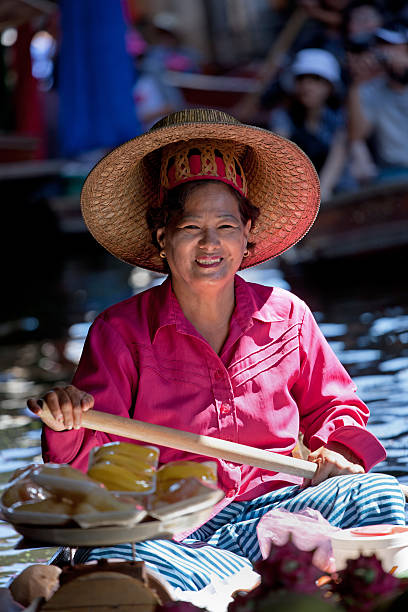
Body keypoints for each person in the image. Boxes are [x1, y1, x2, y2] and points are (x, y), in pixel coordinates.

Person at [27, 108, 405, 598]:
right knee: (120, 558)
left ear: (248, 233)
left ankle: (268, 581)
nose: (210, 244)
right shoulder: (119, 331)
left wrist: (335, 449)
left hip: (280, 514)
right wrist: (65, 424)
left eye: (226, 226)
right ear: (163, 237)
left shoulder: (286, 314)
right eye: (190, 228)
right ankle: (247, 584)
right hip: (174, 534)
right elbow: (93, 461)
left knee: (377, 492)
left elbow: (336, 408)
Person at [269, 48, 353, 199]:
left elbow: (338, 153)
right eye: (301, 79)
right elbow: (282, 155)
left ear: (330, 86)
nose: (307, 86)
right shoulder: (283, 117)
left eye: (315, 79)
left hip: (338, 192)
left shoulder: (340, 116)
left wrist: (322, 193)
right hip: (297, 196)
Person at [348, 25, 408, 182]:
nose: (384, 52)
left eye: (390, 46)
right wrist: (356, 84)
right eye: (380, 46)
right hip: (393, 173)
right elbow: (357, 135)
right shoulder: (372, 89)